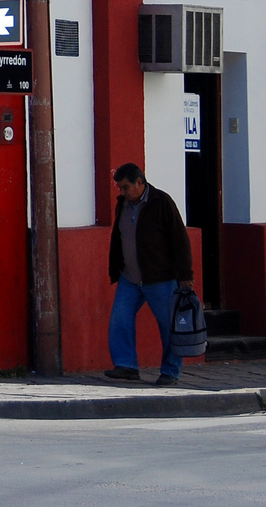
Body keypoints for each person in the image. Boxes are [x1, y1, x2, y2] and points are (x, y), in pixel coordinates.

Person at [105, 162, 194, 387]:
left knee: (169, 326)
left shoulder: (161, 202)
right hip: (130, 277)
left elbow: (180, 240)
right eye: (120, 188)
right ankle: (126, 366)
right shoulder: (122, 205)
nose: (122, 192)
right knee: (120, 320)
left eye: (125, 187)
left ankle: (170, 372)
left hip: (160, 278)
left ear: (140, 183)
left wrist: (185, 274)